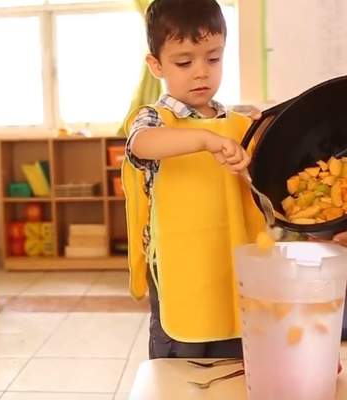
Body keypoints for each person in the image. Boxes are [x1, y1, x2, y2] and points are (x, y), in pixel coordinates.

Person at [122, 0, 265, 359]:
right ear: (156, 65)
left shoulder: (237, 123)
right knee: (181, 367)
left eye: (213, 59)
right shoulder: (154, 119)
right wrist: (204, 140)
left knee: (233, 359)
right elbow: (140, 144)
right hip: (180, 267)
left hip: (232, 264)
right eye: (184, 62)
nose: (201, 72)